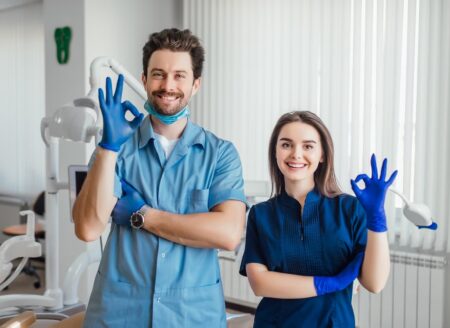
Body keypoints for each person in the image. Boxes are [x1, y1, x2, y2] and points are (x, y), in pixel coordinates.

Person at [73, 28, 247, 327]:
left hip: (192, 315)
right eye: (158, 74)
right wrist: (108, 147)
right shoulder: (118, 149)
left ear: (196, 84)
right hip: (120, 313)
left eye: (180, 75)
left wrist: (143, 216)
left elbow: (228, 234)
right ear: (144, 80)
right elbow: (88, 228)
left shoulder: (220, 154)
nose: (168, 85)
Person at [239, 111, 397, 327]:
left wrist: (377, 219)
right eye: (286, 145)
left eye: (308, 146)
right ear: (275, 151)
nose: (296, 154)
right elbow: (260, 283)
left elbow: (375, 283)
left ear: (322, 154)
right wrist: (330, 283)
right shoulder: (261, 214)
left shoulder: (349, 209)